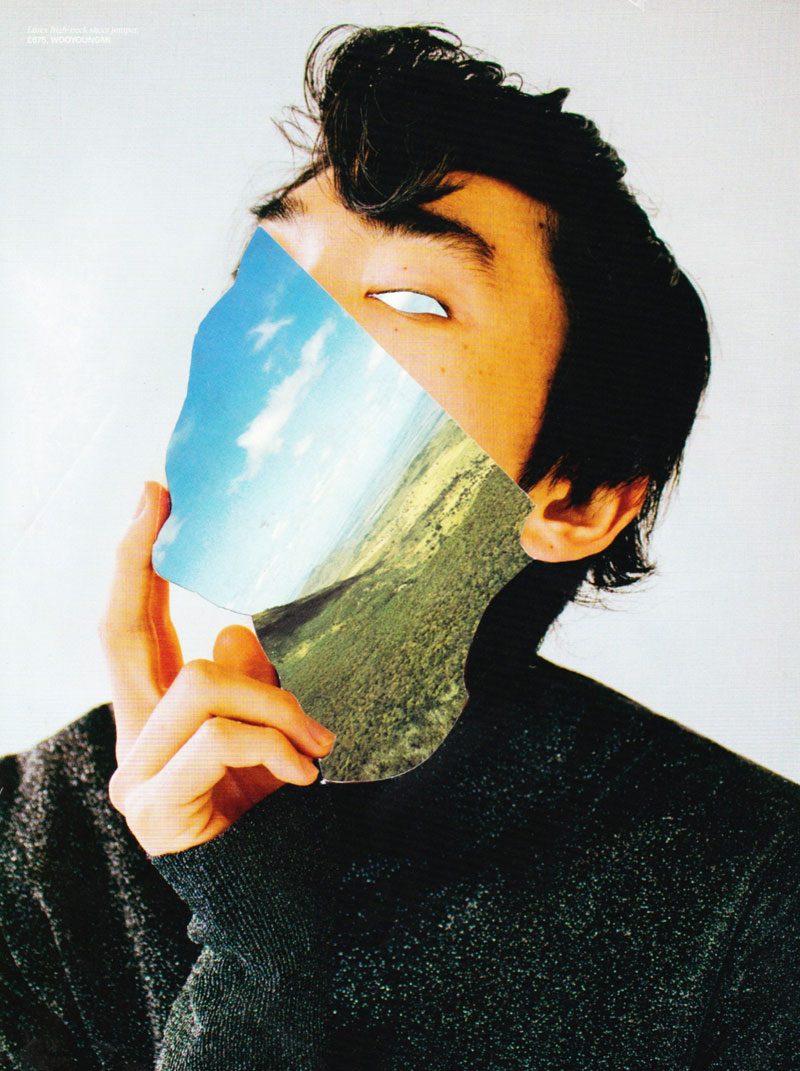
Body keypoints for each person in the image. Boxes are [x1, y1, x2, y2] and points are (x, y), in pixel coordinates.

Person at [1, 24, 798, 1070]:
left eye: (412, 299)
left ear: (576, 498)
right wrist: (251, 948)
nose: (278, 337)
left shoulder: (750, 893)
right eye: (266, 272)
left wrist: (259, 934)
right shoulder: (29, 856)